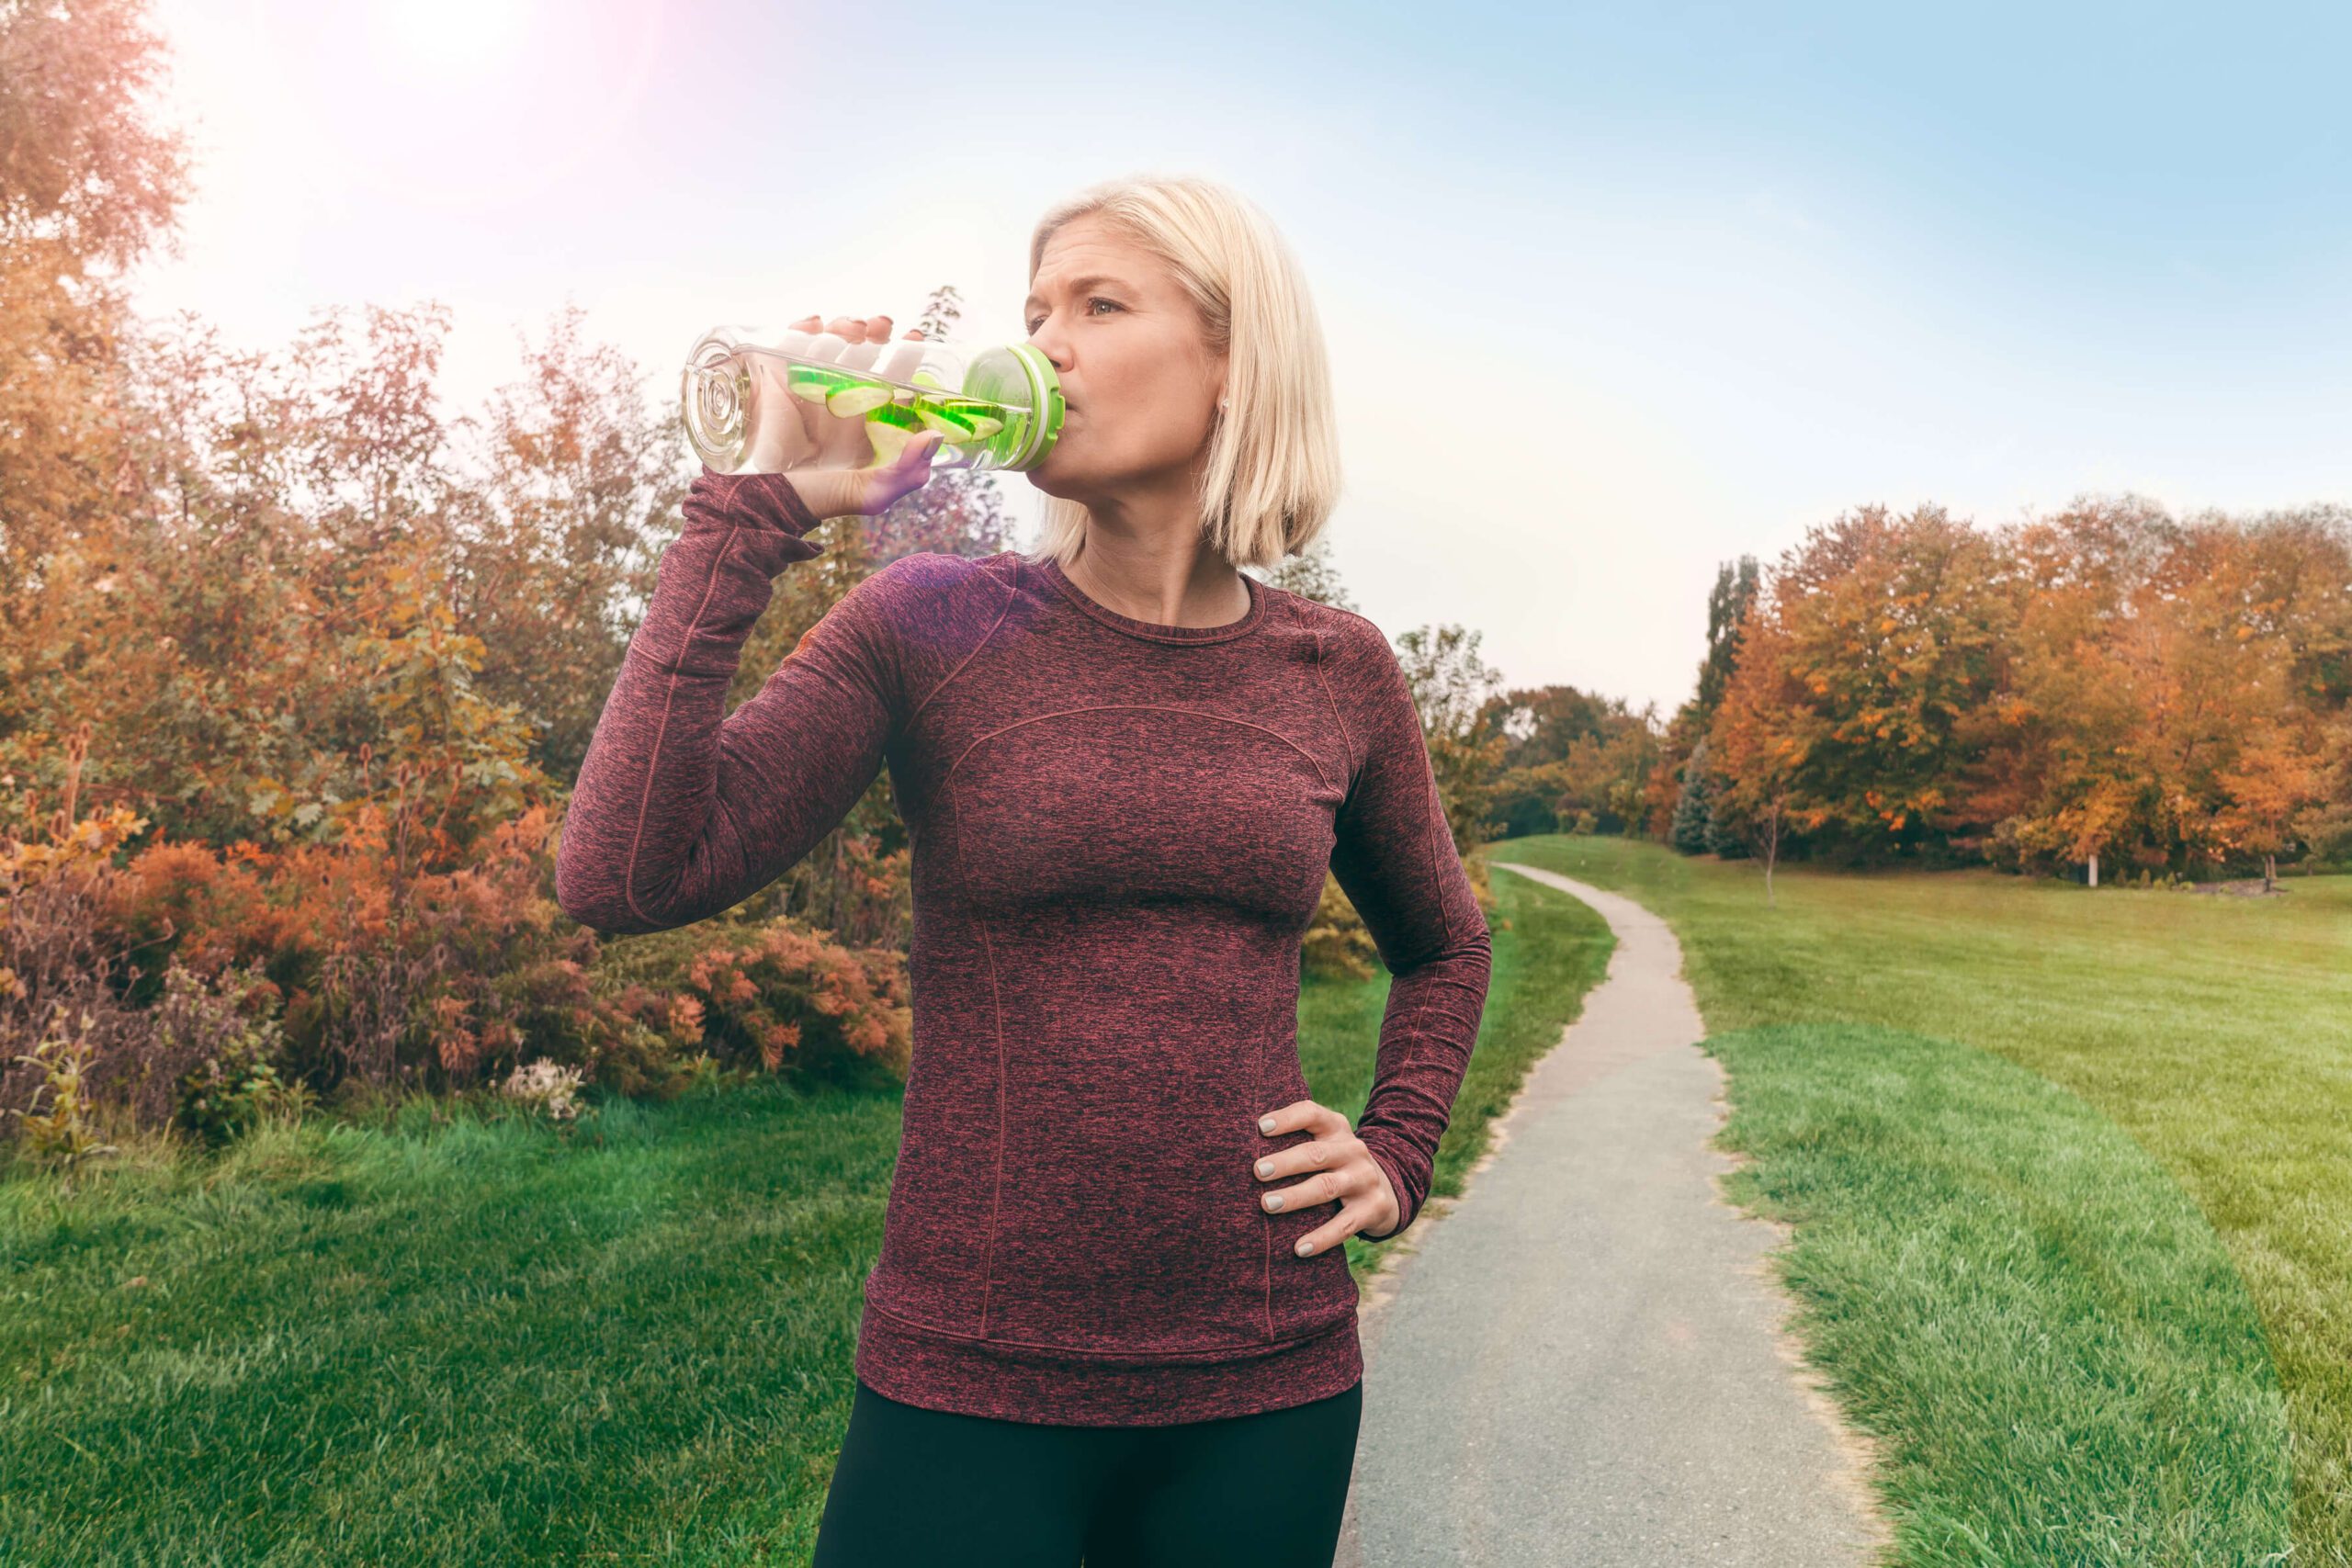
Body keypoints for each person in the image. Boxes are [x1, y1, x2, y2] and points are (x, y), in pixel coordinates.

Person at [555, 173, 1492, 1566]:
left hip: (1268, 1380)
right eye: (1032, 310)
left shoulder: (1336, 671)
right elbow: (624, 874)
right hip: (967, 1379)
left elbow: (1448, 945)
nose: (1041, 343)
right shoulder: (931, 624)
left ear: (1234, 362)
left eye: (1099, 305)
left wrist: (1399, 1151)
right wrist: (755, 510)